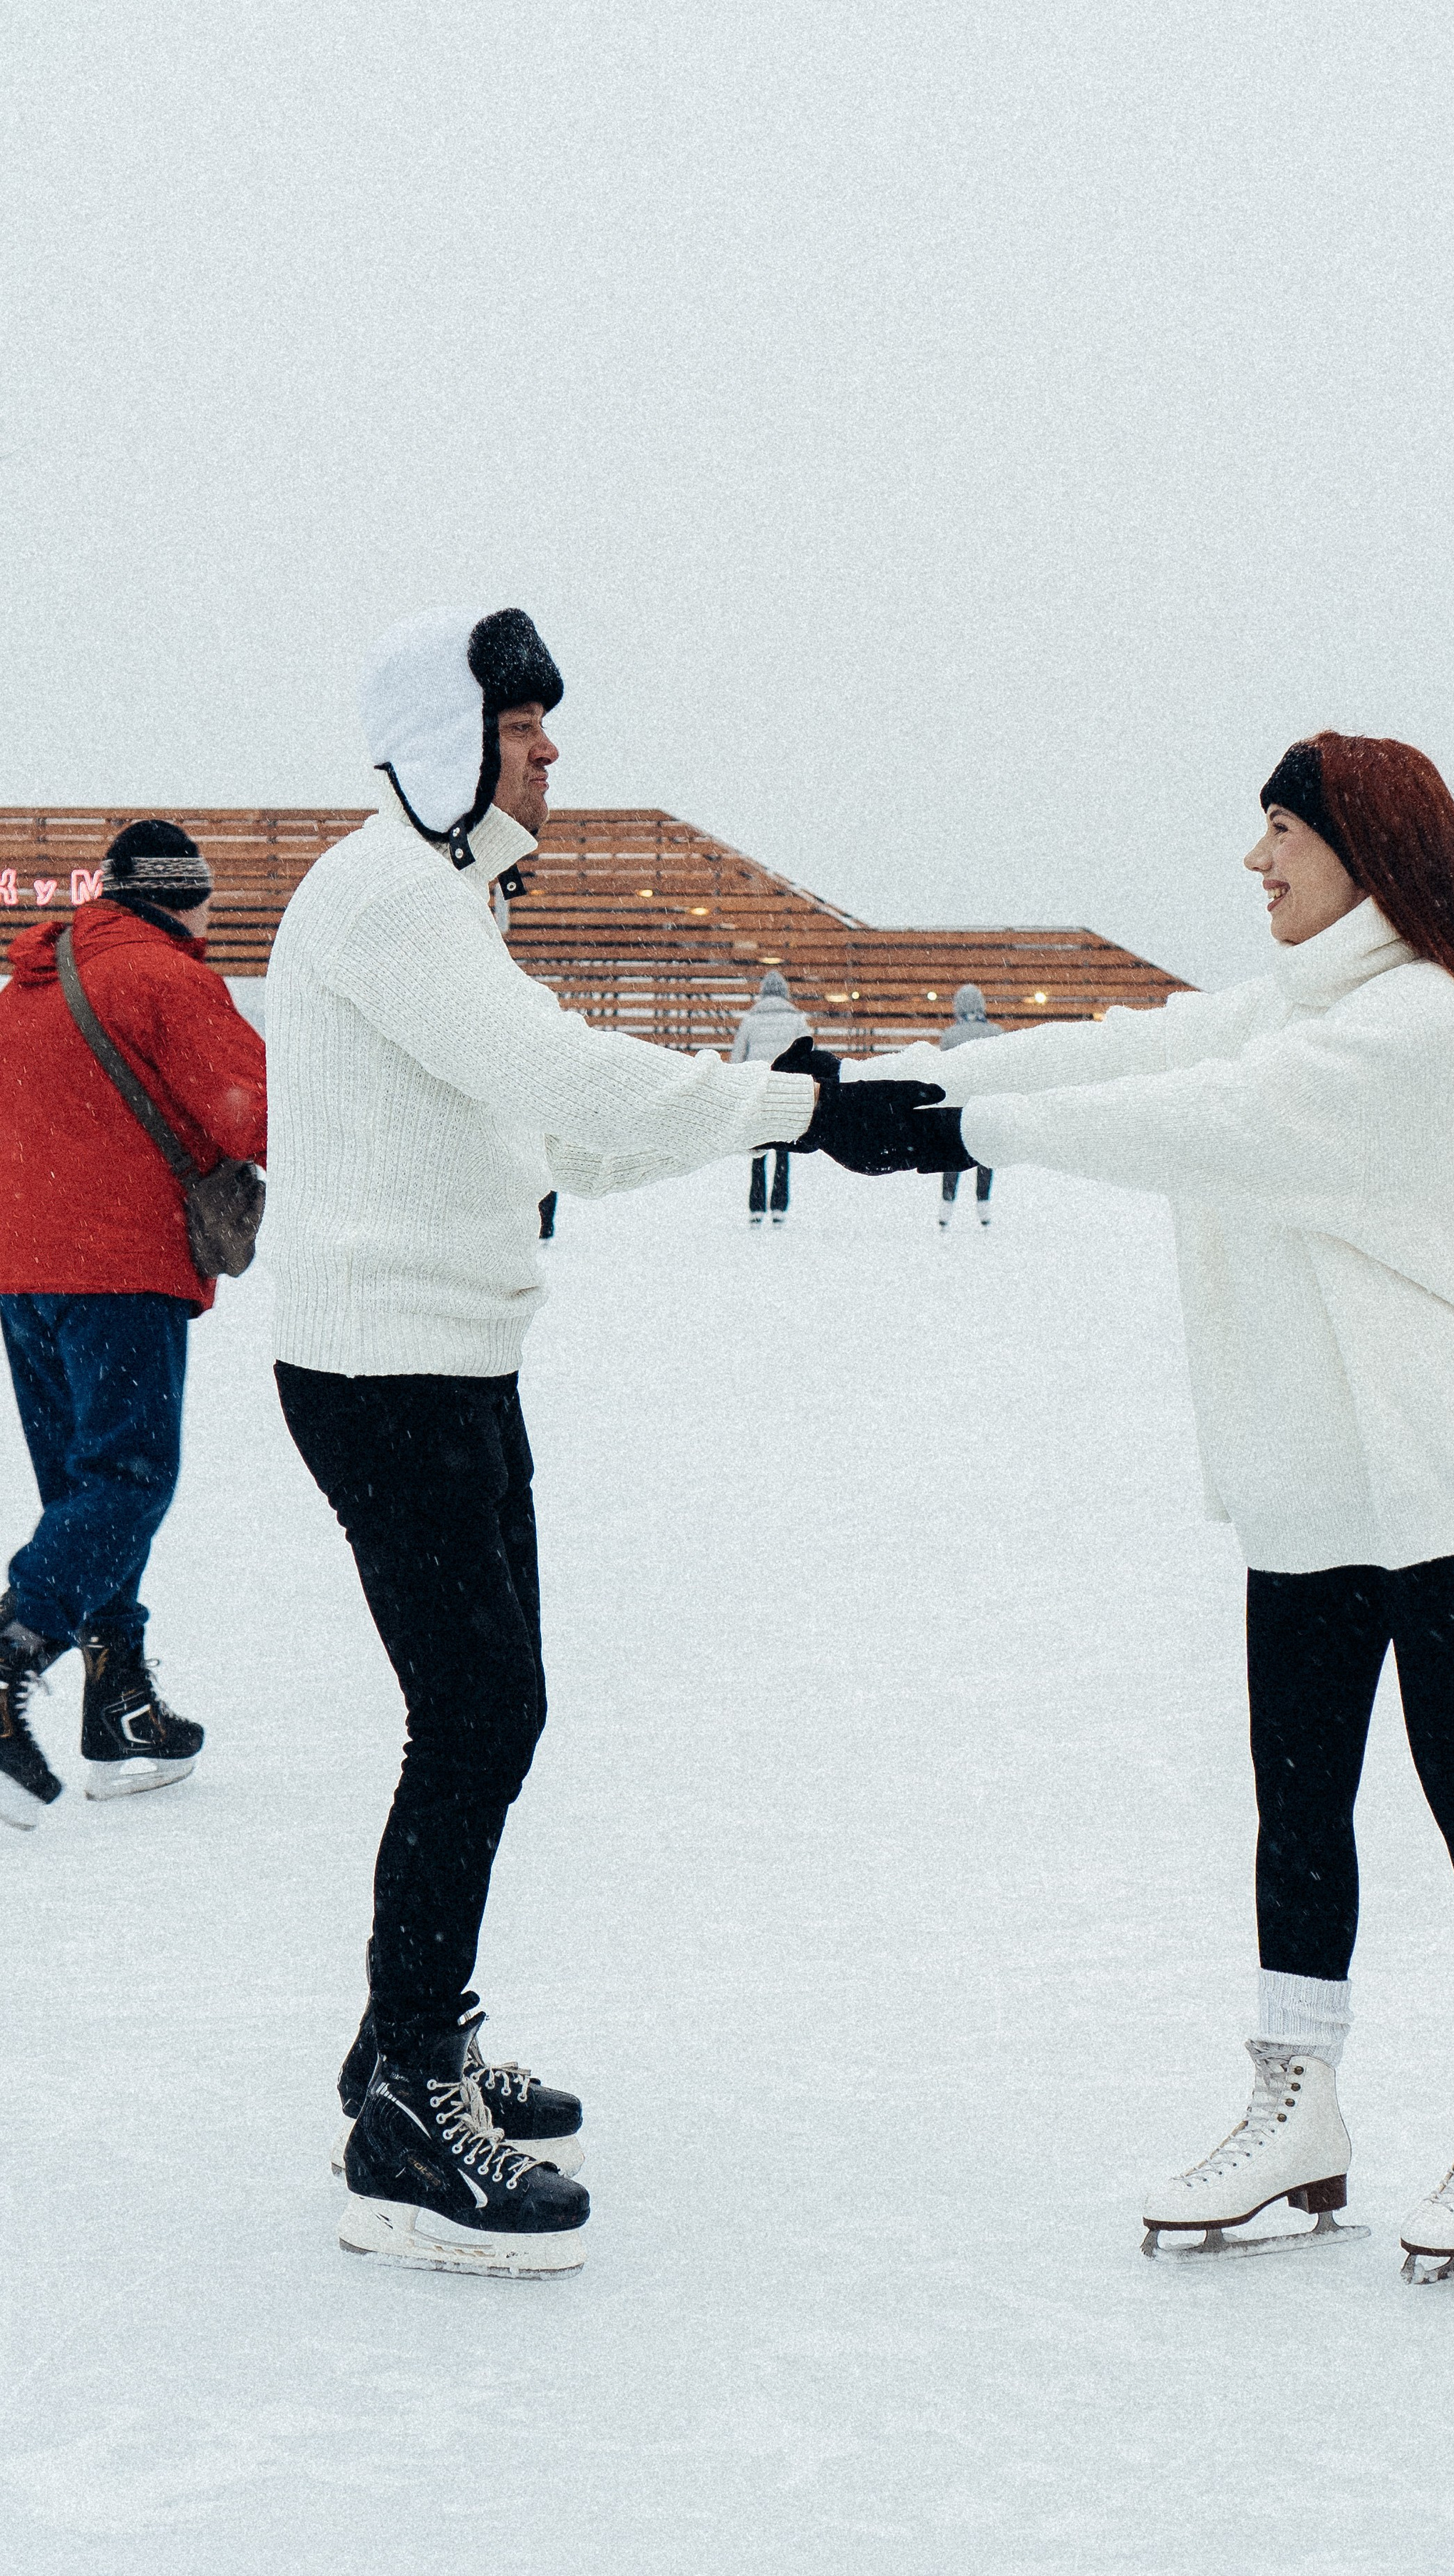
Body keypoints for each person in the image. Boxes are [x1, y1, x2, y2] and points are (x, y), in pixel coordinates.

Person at [264, 605, 954, 2277]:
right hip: (387, 1369)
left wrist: (794, 1110)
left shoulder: (437, 904)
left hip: (447, 1355)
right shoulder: (388, 898)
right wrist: (801, 1105)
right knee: (481, 1705)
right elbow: (568, 1067)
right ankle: (409, 2099)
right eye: (522, 726)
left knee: (491, 1701)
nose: (552, 751)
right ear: (449, 739)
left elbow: (558, 1125)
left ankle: (403, 2033)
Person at [853, 731, 1454, 2280]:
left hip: (1447, 1478)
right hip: (1314, 1475)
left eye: (1276, 835)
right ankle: (1296, 2100)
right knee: (1298, 1805)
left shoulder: (1416, 1025)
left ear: (1358, 848)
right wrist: (904, 1082)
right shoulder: (1304, 1004)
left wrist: (957, 1133)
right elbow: (1125, 1052)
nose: (1252, 864)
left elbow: (1195, 1120)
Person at [0, 822, 267, 1831]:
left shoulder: (26, 987)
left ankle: (118, 1702)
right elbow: (255, 1110)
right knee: (128, 1480)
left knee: (84, 1491)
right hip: (119, 1269)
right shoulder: (166, 979)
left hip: (21, 1272)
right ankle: (11, 1655)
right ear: (181, 897)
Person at [730, 969, 811, 1223]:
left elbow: (737, 1058)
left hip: (758, 1093)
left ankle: (756, 1208)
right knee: (784, 1152)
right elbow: (809, 1057)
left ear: (763, 993)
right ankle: (779, 1207)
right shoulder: (798, 1021)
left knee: (758, 1152)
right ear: (785, 994)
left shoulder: (751, 1021)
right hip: (786, 1092)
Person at [937, 985, 1001, 1228]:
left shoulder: (950, 1037)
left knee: (953, 1156)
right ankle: (983, 1206)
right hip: (986, 1104)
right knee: (985, 1156)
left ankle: (946, 1208)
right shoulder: (995, 1033)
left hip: (958, 1106)